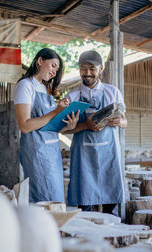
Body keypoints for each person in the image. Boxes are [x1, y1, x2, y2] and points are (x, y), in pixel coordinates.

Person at [64, 50, 127, 214]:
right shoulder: (72, 97)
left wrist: (119, 121)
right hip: (83, 157)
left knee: (110, 206)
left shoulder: (112, 92)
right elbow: (63, 129)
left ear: (101, 68)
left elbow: (125, 121)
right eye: (83, 68)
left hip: (109, 155)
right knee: (84, 208)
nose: (88, 73)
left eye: (92, 68)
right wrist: (85, 125)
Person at [13, 48, 79, 203]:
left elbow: (49, 126)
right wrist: (56, 111)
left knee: (55, 200)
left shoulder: (43, 88)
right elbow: (25, 126)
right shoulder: (25, 86)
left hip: (52, 153)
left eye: (57, 69)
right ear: (40, 61)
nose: (54, 72)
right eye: (53, 66)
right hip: (37, 152)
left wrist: (68, 126)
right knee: (42, 201)